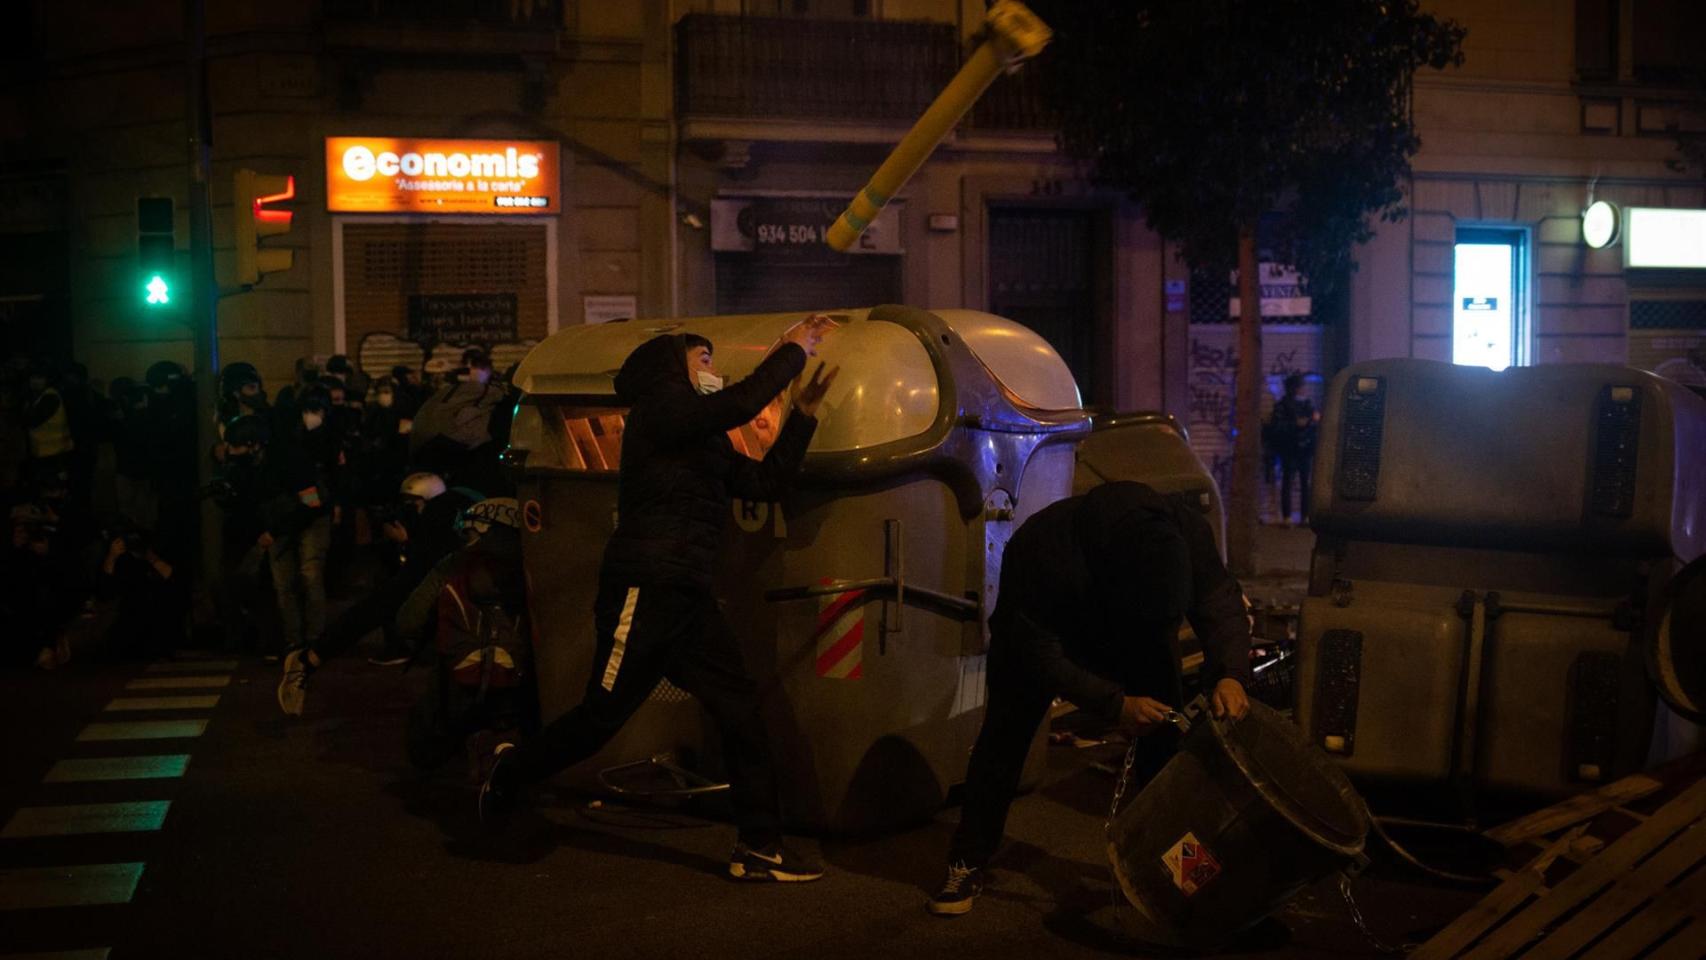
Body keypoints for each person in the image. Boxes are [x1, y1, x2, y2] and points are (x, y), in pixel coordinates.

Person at [479, 317, 840, 882]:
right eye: (703, 361)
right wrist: (792, 350)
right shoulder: (660, 412)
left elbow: (766, 484)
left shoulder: (701, 437)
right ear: (673, 367)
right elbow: (740, 405)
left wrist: (805, 417)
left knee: (741, 710)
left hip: (687, 596)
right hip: (643, 590)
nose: (712, 372)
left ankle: (759, 847)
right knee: (601, 718)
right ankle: (511, 772)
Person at [927, 480, 1254, 917]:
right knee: (1004, 742)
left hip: (1139, 633)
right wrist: (1115, 704)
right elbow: (1039, 654)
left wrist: (1230, 674)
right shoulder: (1042, 550)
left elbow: (1221, 602)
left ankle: (1182, 872)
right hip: (1041, 640)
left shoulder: (1183, 533)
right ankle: (966, 860)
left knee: (1165, 753)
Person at [276, 472, 474, 715]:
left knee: (385, 607)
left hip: (449, 583)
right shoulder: (458, 506)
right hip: (456, 582)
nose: (409, 512)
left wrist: (406, 542)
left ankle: (309, 660)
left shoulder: (438, 514)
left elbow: (427, 561)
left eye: (412, 506)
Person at [1272, 373, 1318, 526]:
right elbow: (1277, 428)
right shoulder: (1283, 405)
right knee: (1288, 483)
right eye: (1302, 386)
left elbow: (1314, 424)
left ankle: (1305, 517)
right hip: (1290, 450)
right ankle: (1287, 517)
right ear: (1295, 388)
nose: (1305, 389)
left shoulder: (1307, 405)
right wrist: (1296, 425)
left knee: (1306, 484)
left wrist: (1310, 423)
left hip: (1305, 450)